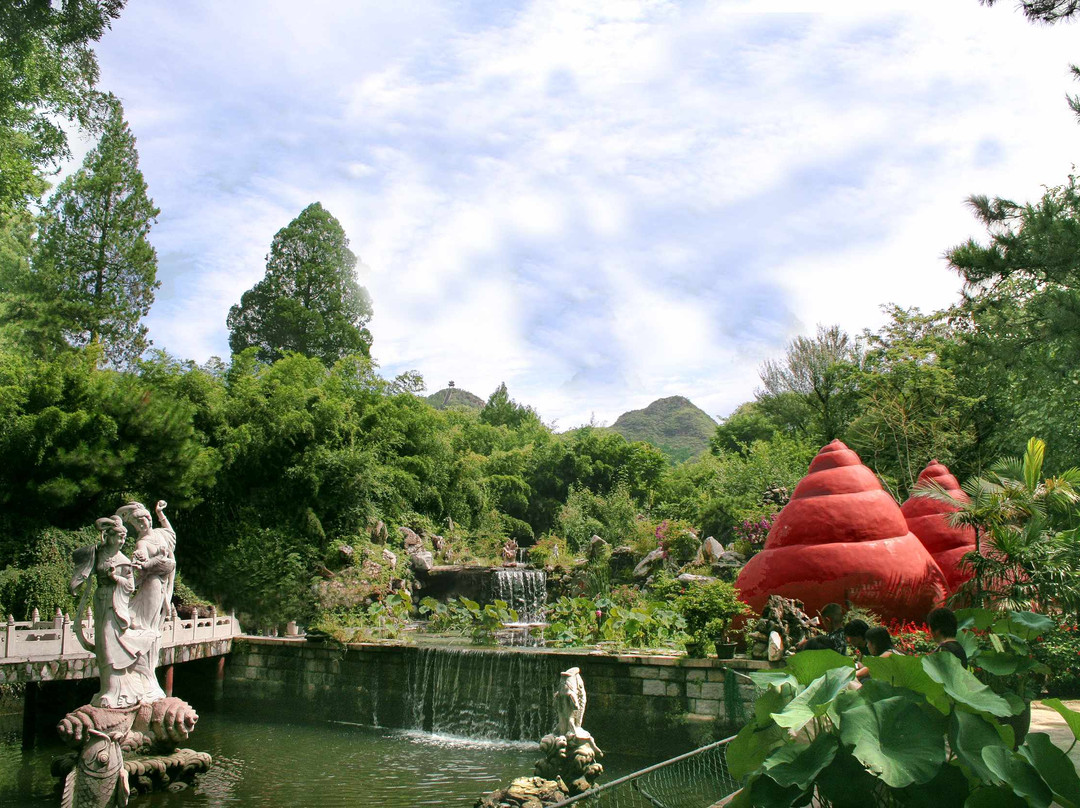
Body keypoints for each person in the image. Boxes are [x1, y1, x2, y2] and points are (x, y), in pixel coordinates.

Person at [70, 516, 159, 707]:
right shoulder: (97, 552)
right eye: (118, 537)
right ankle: (107, 688)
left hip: (114, 603)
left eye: (124, 539)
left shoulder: (123, 560)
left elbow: (130, 585)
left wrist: (114, 578)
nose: (121, 542)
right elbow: (81, 564)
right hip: (100, 600)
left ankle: (116, 690)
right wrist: (77, 582)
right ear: (108, 536)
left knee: (109, 643)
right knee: (101, 645)